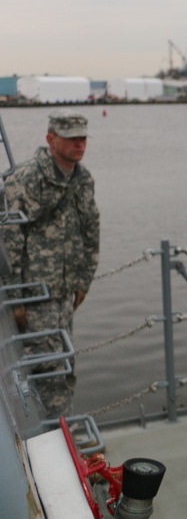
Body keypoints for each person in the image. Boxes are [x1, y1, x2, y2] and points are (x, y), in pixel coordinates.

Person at [3, 109, 100, 420]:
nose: (79, 144)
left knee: (64, 367)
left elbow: (91, 229)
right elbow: (9, 243)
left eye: (82, 138)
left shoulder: (82, 179)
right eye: (71, 138)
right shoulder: (27, 179)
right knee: (41, 373)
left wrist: (84, 280)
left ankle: (60, 437)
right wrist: (16, 299)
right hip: (34, 298)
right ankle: (45, 439)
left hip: (64, 296)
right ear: (50, 139)